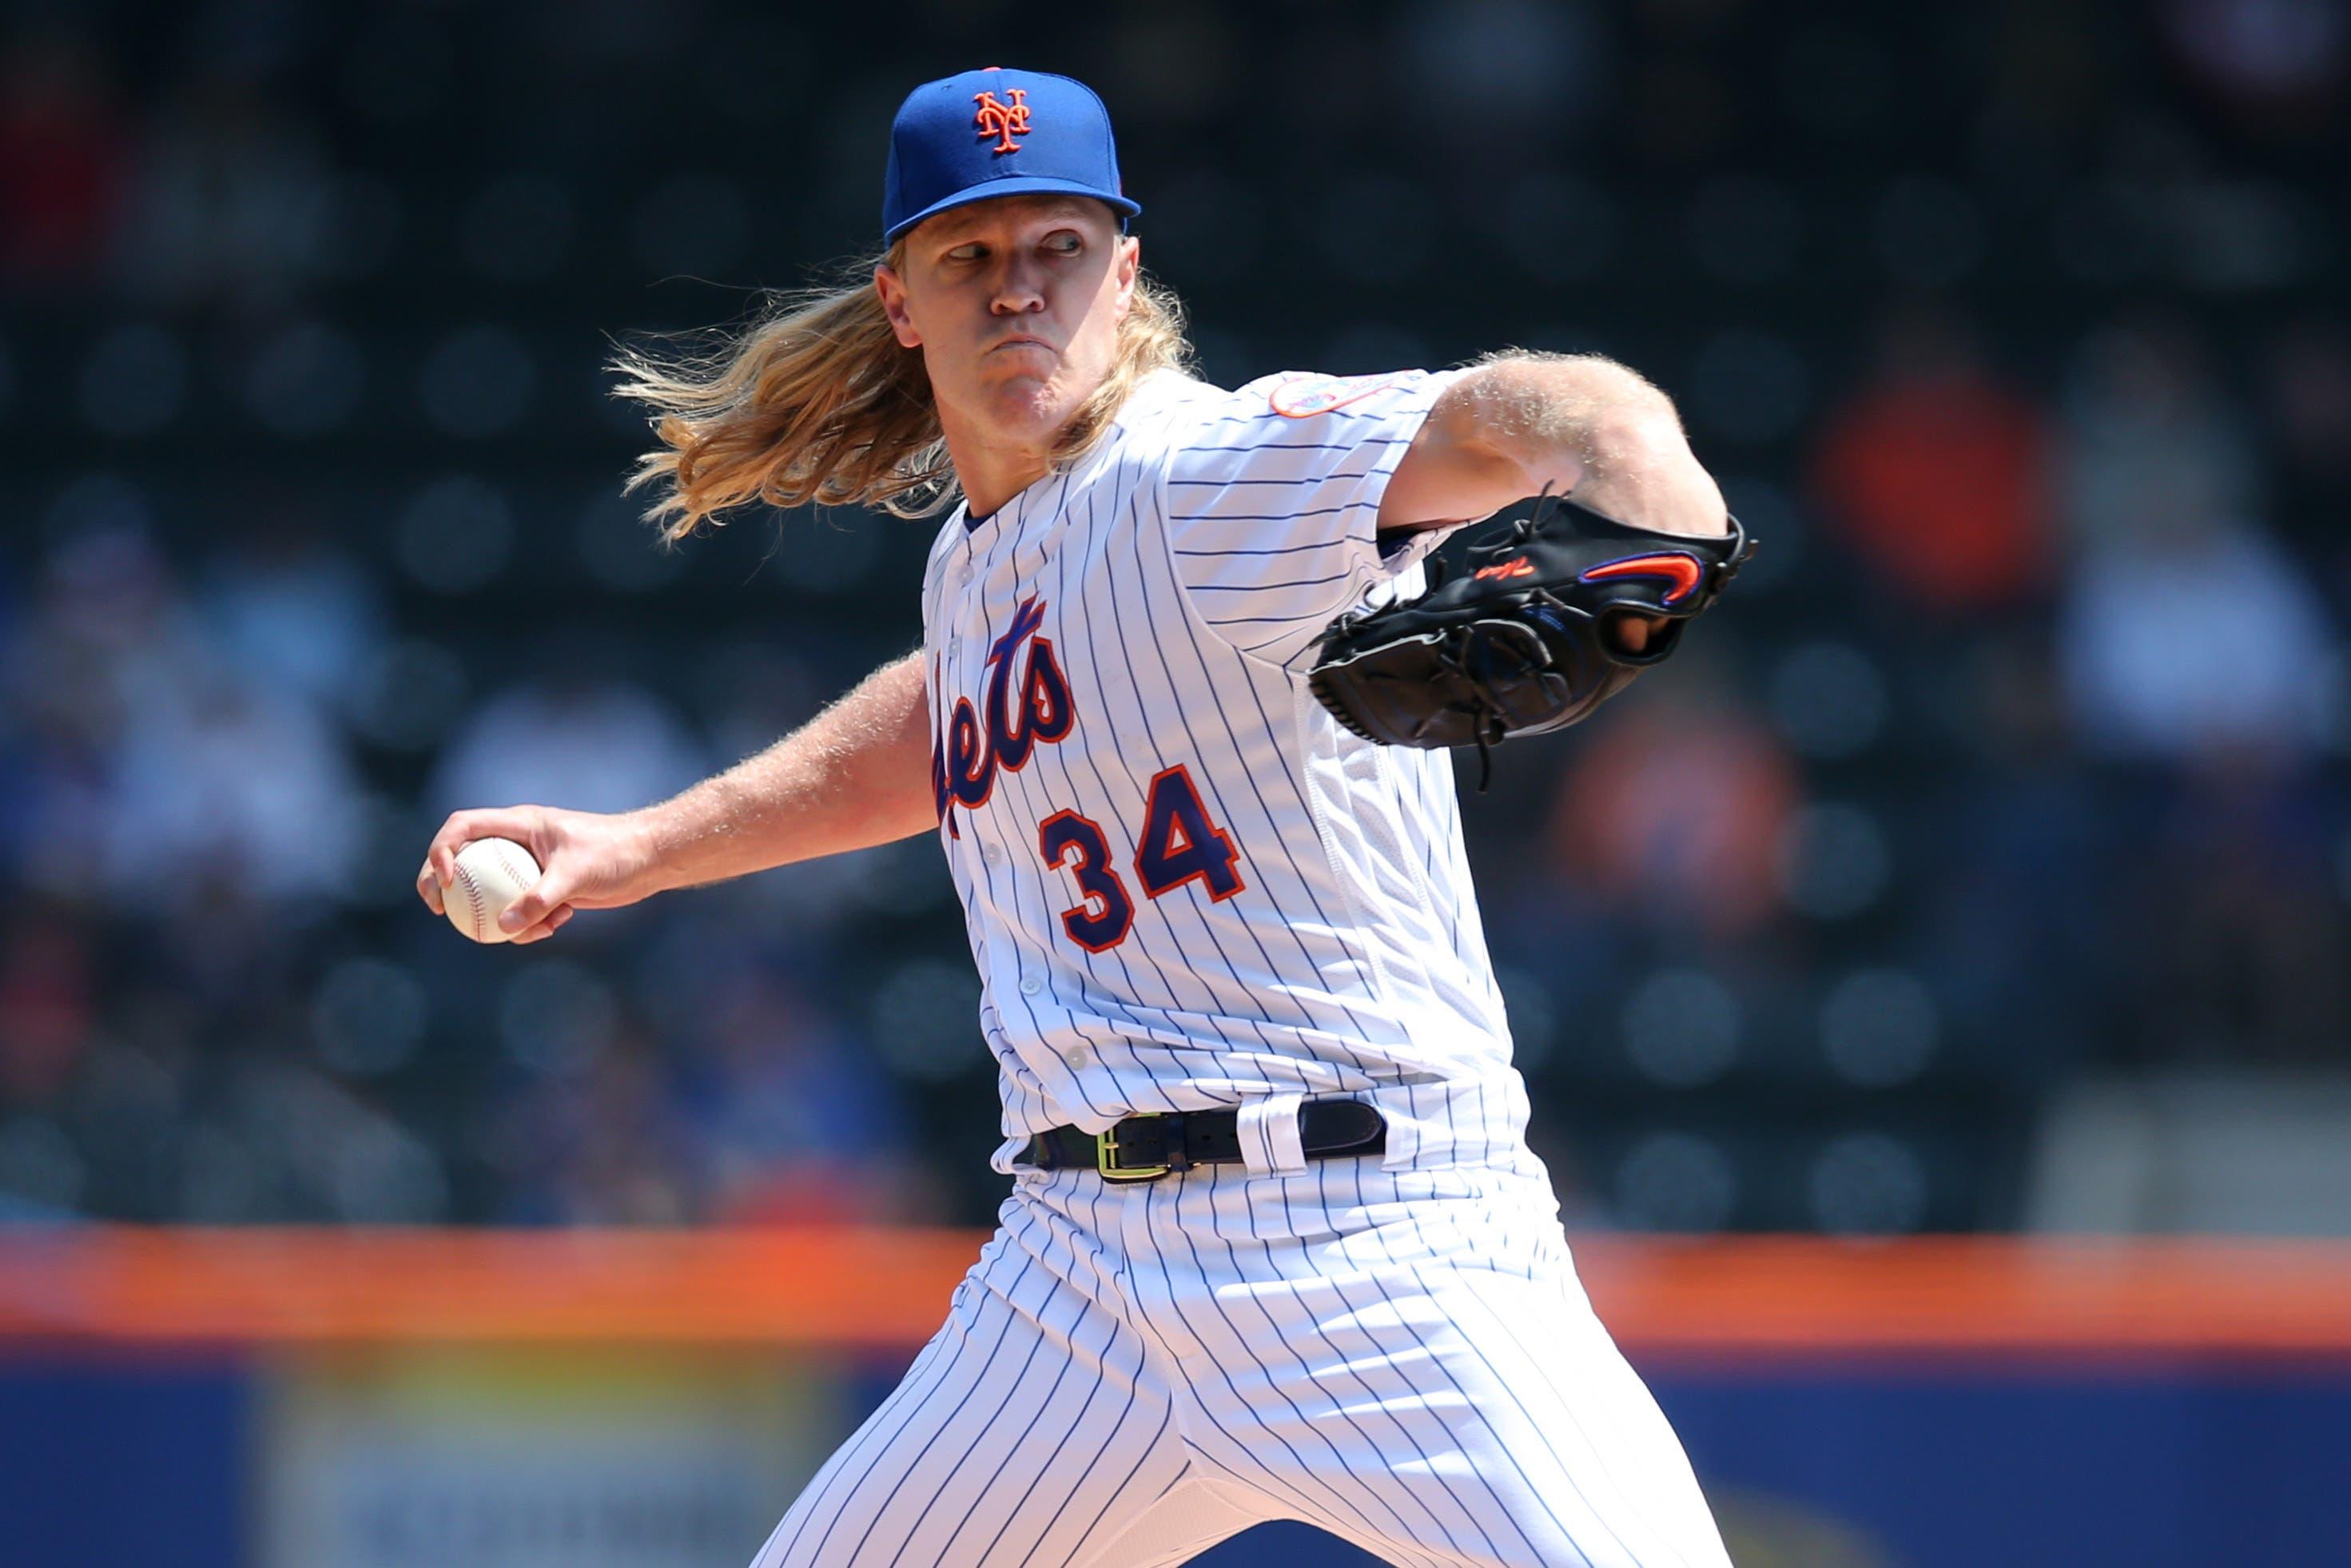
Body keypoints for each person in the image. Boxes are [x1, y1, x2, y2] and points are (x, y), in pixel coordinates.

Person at [420, 66, 1735, 1568]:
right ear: (899, 299)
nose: (1015, 292)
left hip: (1381, 1244)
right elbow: (944, 718)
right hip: (1075, 1291)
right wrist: (637, 849)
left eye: (1055, 248)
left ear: (1123, 268)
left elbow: (1545, 409)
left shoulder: (1205, 476)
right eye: (969, 257)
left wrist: (1649, 488)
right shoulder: (981, 562)